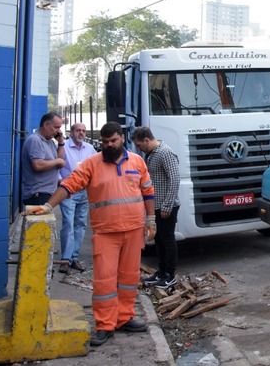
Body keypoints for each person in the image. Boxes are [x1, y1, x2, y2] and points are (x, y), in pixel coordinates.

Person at [23, 122, 157, 348]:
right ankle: (105, 325)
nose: (109, 145)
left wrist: (151, 220)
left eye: (113, 141)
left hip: (133, 230)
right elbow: (69, 185)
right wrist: (48, 206)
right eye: (105, 142)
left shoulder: (137, 161)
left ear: (121, 139)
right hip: (106, 232)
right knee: (104, 281)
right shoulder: (92, 164)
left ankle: (124, 318)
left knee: (129, 278)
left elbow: (148, 192)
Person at [131, 126, 181, 289]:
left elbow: (174, 179)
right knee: (158, 240)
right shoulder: (151, 154)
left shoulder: (165, 153)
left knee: (167, 240)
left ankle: (170, 275)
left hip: (166, 206)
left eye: (139, 145)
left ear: (147, 140)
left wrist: (167, 205)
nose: (139, 148)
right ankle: (161, 272)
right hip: (156, 205)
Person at [57, 123, 97, 274]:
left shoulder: (90, 149)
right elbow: (58, 168)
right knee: (68, 223)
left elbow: (96, 167)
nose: (81, 133)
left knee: (80, 224)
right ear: (71, 132)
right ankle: (65, 259)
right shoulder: (64, 147)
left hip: (85, 191)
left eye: (83, 131)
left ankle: (74, 258)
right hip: (69, 191)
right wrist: (61, 182)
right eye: (78, 130)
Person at [20, 112, 66, 208]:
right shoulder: (35, 140)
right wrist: (57, 161)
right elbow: (38, 165)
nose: (58, 131)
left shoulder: (49, 141)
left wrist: (61, 143)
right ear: (46, 124)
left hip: (48, 192)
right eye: (56, 127)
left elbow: (60, 163)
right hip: (38, 194)